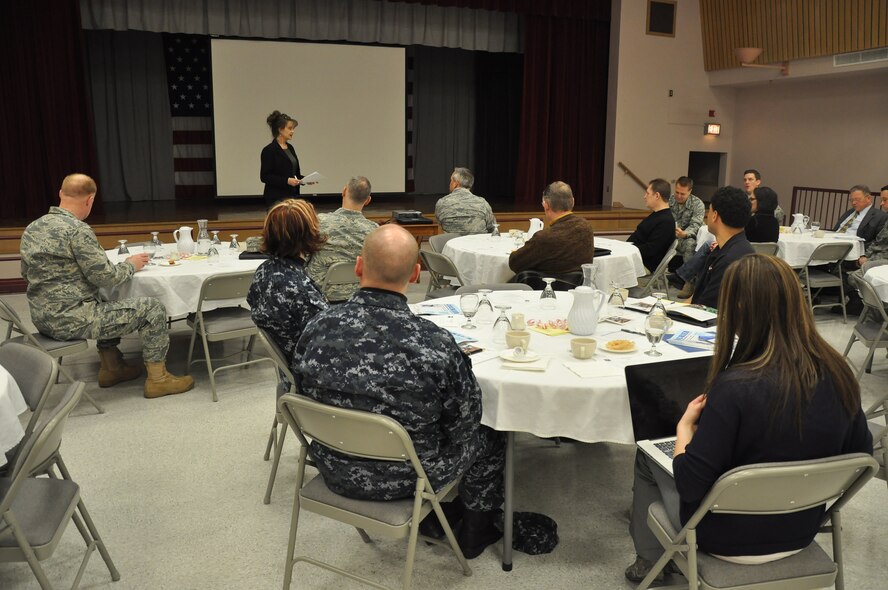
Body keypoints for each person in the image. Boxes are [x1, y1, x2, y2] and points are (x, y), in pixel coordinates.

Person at [625, 254, 872, 583]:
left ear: (739, 312)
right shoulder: (840, 373)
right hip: (801, 529)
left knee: (646, 458)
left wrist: (685, 430)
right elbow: (860, 457)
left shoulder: (735, 388)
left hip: (723, 539)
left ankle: (651, 563)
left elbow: (690, 485)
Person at [294, 224, 506, 559]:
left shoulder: (316, 327)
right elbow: (466, 422)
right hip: (411, 481)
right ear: (416, 274)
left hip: (332, 467)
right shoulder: (434, 344)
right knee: (491, 435)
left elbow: (303, 392)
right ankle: (475, 532)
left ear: (359, 266)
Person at [19, 174, 193, 398]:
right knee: (152, 308)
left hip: (42, 318)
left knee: (106, 299)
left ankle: (112, 368)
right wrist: (131, 265)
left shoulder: (33, 227)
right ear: (90, 200)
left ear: (61, 194)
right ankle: (158, 380)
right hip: (71, 320)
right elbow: (106, 278)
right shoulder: (77, 231)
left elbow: (26, 274)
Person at [247, 199, 329, 378]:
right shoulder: (301, 290)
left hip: (288, 369)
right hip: (312, 375)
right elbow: (327, 343)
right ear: (308, 233)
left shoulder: (264, 271)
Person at [305, 176, 378, 302]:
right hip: (358, 296)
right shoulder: (374, 231)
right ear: (368, 200)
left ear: (344, 191)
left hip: (319, 294)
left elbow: (303, 256)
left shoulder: (319, 222)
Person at [508, 181, 595, 275]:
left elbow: (514, 263)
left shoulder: (544, 238)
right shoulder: (587, 228)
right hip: (576, 287)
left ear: (546, 205)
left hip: (540, 287)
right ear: (573, 202)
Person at [691, 186, 754, 309]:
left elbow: (706, 309)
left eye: (709, 211)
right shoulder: (734, 248)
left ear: (714, 215)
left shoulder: (729, 260)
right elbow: (696, 297)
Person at [627, 178, 677, 273]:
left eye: (647, 193)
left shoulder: (666, 221)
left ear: (657, 195)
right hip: (635, 258)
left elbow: (651, 249)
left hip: (643, 264)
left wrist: (629, 250)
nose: (644, 196)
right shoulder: (657, 215)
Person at [260, 110, 303, 209]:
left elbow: (294, 174)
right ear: (280, 129)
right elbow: (265, 176)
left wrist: (305, 179)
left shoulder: (290, 148)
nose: (293, 131)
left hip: (293, 197)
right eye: (290, 128)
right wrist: (287, 181)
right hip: (276, 199)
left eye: (293, 128)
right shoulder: (269, 150)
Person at [434, 168, 496, 235]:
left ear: (456, 183)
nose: (450, 184)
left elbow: (440, 224)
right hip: (478, 244)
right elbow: (492, 227)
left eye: (451, 181)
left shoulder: (441, 203)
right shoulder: (483, 203)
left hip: (453, 244)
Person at [669, 176, 705, 265]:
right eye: (677, 192)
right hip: (669, 235)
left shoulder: (698, 204)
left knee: (690, 244)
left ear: (690, 191)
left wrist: (685, 233)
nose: (679, 196)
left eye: (682, 194)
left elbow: (695, 224)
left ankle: (686, 276)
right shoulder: (669, 200)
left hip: (685, 238)